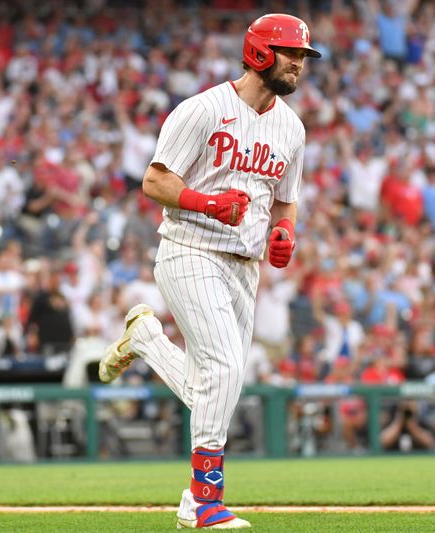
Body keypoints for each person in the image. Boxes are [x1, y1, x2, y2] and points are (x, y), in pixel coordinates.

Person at [98, 13, 320, 530]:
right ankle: (204, 500)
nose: (298, 64)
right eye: (290, 53)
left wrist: (284, 233)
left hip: (245, 267)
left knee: (217, 385)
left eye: (303, 57)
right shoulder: (202, 110)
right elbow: (154, 182)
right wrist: (206, 202)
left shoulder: (291, 127)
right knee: (224, 369)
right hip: (189, 249)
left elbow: (285, 202)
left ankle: (147, 339)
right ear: (260, 53)